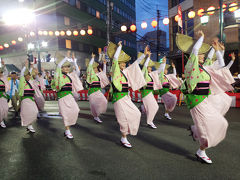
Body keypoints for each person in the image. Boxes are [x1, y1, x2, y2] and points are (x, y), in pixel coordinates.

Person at [182, 30, 234, 164]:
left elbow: (220, 65)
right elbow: (194, 51)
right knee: (211, 128)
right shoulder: (191, 66)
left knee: (221, 122)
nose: (203, 56)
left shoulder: (204, 68)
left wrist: (217, 51)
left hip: (205, 100)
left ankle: (196, 132)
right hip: (196, 102)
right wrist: (202, 38)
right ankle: (201, 150)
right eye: (201, 54)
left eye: (203, 54)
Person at [109, 41, 146, 148]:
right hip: (118, 98)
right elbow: (115, 60)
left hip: (126, 97)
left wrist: (143, 55)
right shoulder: (115, 70)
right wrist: (119, 48)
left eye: (124, 63)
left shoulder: (126, 71)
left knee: (136, 114)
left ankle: (125, 135)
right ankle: (124, 137)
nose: (123, 64)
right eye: (121, 63)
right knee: (123, 118)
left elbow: (136, 64)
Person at [52, 51, 83, 139]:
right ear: (61, 68)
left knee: (76, 110)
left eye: (67, 67)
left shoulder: (69, 75)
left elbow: (78, 72)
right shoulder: (58, 75)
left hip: (70, 97)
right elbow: (58, 66)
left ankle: (67, 130)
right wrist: (66, 57)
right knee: (65, 114)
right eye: (64, 67)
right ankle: (68, 130)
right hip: (62, 97)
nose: (66, 68)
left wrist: (74, 61)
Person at [139, 48, 162, 129]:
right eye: (148, 67)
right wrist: (148, 57)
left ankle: (143, 108)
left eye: (150, 67)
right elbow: (145, 66)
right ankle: (149, 122)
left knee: (155, 107)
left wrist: (163, 63)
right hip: (145, 93)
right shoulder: (143, 73)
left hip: (150, 93)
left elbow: (159, 71)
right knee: (155, 107)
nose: (150, 68)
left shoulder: (151, 75)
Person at [86, 52, 109, 123]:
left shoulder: (99, 75)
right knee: (93, 105)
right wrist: (92, 58)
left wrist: (104, 64)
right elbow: (89, 66)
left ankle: (98, 113)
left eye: (96, 68)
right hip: (92, 92)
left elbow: (104, 74)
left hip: (98, 91)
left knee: (104, 101)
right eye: (94, 68)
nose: (95, 69)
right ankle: (96, 117)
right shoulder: (90, 75)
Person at [18, 60, 39, 133]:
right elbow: (22, 74)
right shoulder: (22, 81)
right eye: (26, 75)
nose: (28, 76)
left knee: (35, 112)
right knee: (27, 112)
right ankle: (29, 126)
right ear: (24, 76)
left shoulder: (31, 81)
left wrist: (32, 67)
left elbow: (31, 74)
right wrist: (25, 66)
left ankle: (29, 125)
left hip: (31, 100)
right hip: (25, 100)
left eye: (29, 75)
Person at [0, 60, 10, 128]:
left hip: (3, 96)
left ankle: (1, 119)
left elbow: (6, 72)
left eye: (1, 72)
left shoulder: (4, 78)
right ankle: (1, 121)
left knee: (5, 108)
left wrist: (4, 65)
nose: (0, 73)